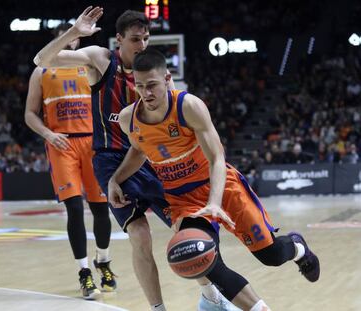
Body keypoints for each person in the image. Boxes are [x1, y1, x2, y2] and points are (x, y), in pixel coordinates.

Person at [34, 7, 234, 311]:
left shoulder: (157, 76)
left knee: (187, 229)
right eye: (135, 39)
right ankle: (158, 308)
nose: (142, 45)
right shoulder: (101, 60)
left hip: (150, 159)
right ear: (119, 40)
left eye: (146, 38)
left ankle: (210, 295)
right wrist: (75, 32)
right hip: (112, 161)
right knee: (140, 234)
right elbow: (42, 61)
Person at [108, 49, 321, 310]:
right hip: (183, 199)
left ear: (166, 79)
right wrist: (115, 179)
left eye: (151, 85)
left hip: (222, 187)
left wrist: (215, 202)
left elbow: (217, 158)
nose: (146, 93)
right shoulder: (129, 118)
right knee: (204, 260)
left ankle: (297, 247)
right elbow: (139, 150)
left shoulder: (189, 107)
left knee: (272, 256)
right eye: (140, 86)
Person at [25, 23, 116, 300]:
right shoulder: (41, 71)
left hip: (94, 143)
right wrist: (48, 134)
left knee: (101, 210)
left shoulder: (89, 65)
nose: (71, 43)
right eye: (67, 38)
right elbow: (30, 113)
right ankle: (84, 272)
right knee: (74, 209)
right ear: (58, 40)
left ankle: (104, 261)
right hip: (61, 144)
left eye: (76, 39)